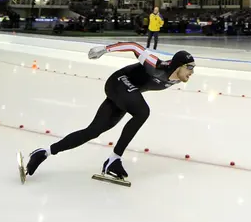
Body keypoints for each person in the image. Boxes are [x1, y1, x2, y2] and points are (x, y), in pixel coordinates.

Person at [20, 42, 195, 185]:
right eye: (189, 67)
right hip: (118, 82)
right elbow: (134, 46)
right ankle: (114, 159)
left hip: (127, 93)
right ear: (178, 65)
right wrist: (105, 49)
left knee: (93, 131)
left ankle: (44, 152)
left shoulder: (177, 79)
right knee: (143, 112)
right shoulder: (157, 65)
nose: (192, 72)